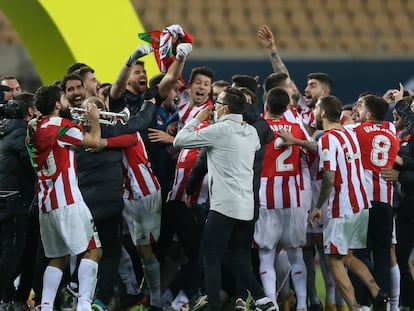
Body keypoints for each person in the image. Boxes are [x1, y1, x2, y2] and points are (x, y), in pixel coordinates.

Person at [278, 95, 388, 311]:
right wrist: (298, 141)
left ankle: (355, 307)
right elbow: (319, 146)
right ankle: (378, 292)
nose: (315, 112)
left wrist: (318, 206)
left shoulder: (328, 139)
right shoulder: (348, 134)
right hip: (361, 205)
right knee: (346, 256)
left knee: (333, 261)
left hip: (342, 207)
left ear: (323, 113)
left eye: (317, 108)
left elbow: (329, 175)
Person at [173, 86, 276, 311]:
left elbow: (179, 141)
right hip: (247, 206)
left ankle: (213, 306)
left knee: (210, 256)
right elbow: (258, 143)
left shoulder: (218, 130)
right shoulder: (250, 132)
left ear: (226, 108)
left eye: (217, 103)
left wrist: (196, 119)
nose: (213, 106)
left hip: (223, 206)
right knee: (236, 257)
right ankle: (263, 300)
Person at [26, 85, 103, 311]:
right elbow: (95, 142)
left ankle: (46, 305)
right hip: (69, 201)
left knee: (58, 256)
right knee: (93, 249)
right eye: (63, 99)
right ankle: (84, 305)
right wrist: (95, 120)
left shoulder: (32, 126)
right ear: (57, 105)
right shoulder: (62, 126)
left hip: (46, 203)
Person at [254, 87, 309, 310]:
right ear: (286, 108)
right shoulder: (296, 128)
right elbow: (314, 149)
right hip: (292, 196)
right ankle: (302, 304)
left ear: (266, 106)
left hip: (266, 195)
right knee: (296, 253)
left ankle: (272, 304)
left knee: (266, 253)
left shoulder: (259, 128)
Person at [350, 93, 399, 307]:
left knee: (358, 254)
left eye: (360, 107)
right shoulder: (391, 129)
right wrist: (383, 104)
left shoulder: (355, 131)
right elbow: (381, 116)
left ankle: (363, 303)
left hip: (363, 202)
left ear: (367, 114)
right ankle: (385, 302)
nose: (356, 111)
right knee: (382, 255)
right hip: (385, 201)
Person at [0, 96, 37, 311]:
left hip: (9, 201)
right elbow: (36, 165)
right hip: (16, 204)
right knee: (12, 256)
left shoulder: (4, 131)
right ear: (30, 112)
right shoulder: (23, 134)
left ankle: (13, 300)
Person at [381, 97, 414, 311]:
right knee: (402, 257)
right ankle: (407, 303)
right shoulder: (403, 137)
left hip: (406, 203)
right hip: (406, 206)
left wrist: (401, 173)